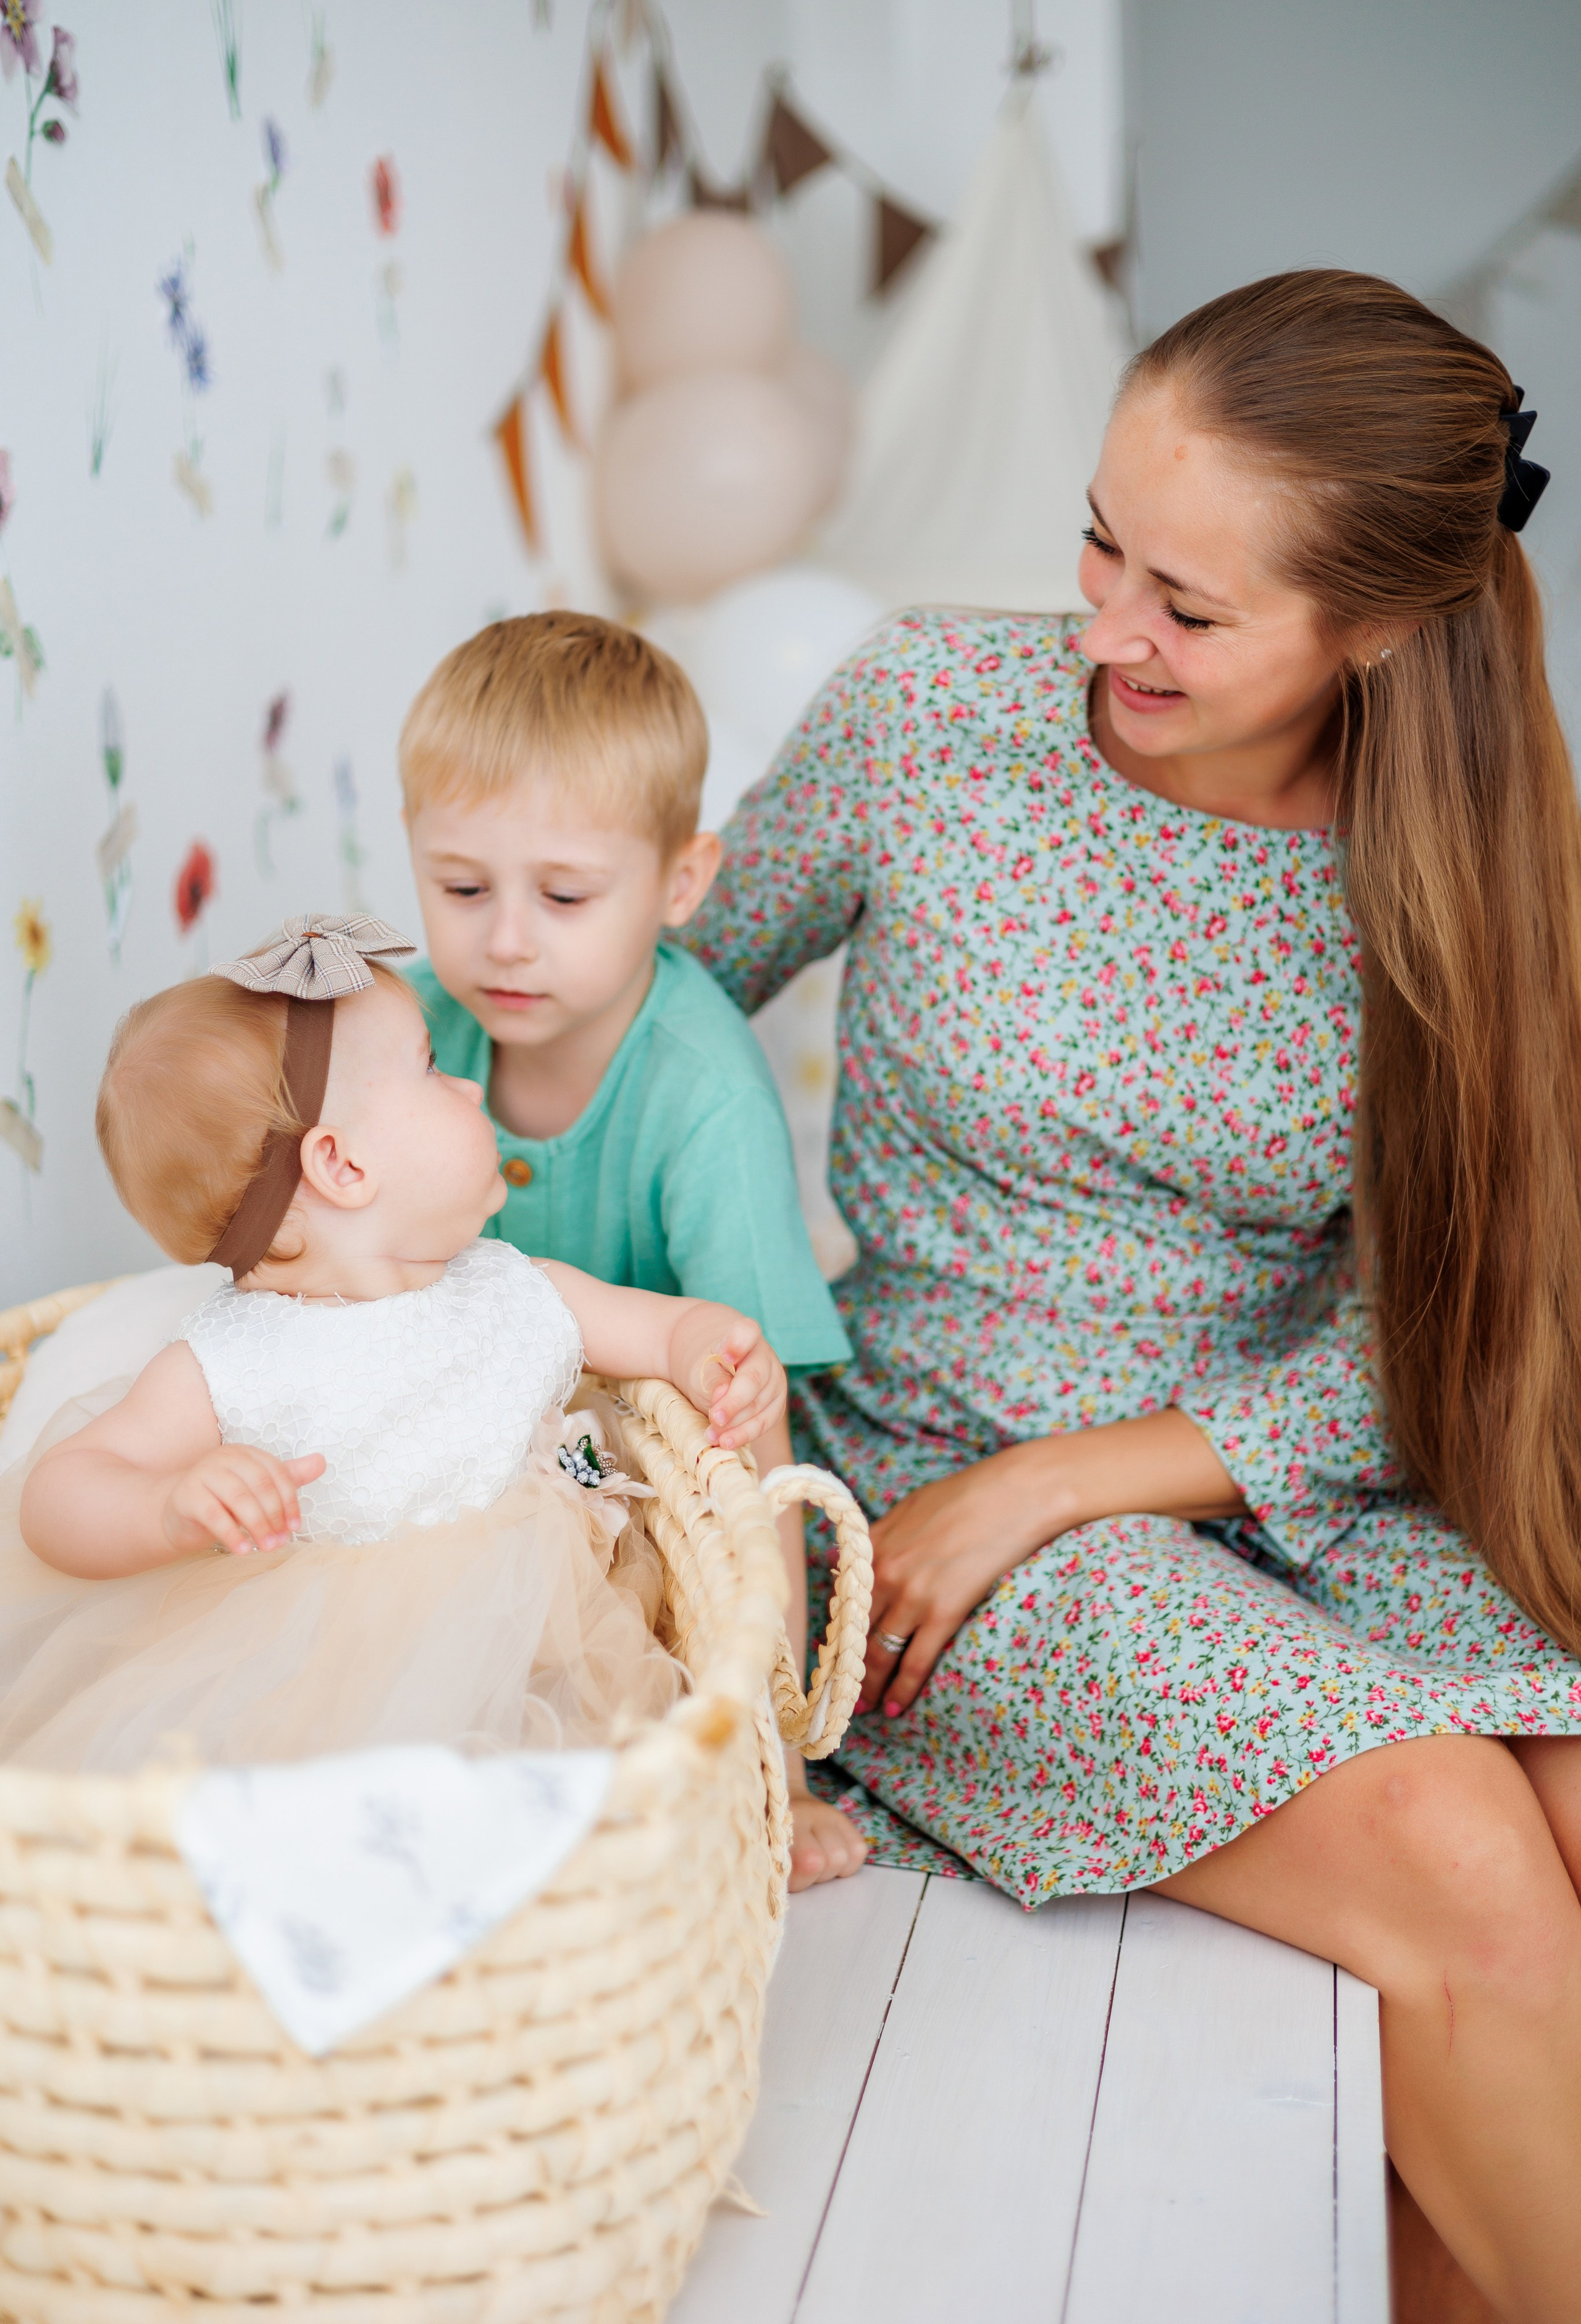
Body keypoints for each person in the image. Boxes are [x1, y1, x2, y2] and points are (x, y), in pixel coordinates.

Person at [687, 270, 1581, 2321]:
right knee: (1451, 1849)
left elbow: (1468, 1305)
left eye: (1189, 602)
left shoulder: (1458, 851)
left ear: (1375, 629)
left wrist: (1095, 1475)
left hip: (1311, 1470)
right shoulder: (929, 721)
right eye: (1102, 539)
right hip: (943, 1469)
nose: (1105, 627)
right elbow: (647, 1019)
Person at [0, 914, 784, 1775]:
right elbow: (58, 1499)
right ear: (341, 1166)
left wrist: (716, 1353)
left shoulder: (515, 1287)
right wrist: (169, 1506)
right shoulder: (235, 1359)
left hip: (541, 1649)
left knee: (568, 1791)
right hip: (320, 1677)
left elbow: (664, 1329)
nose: (473, 1090)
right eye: (434, 1069)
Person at [399, 612, 864, 1889]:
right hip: (481, 1420)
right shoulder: (417, 1034)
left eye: (561, 897)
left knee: (630, 1651)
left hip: (660, 1452)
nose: (503, 939)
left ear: (679, 884)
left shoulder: (697, 1091)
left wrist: (778, 1742)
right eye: (458, 887)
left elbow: (744, 1427)